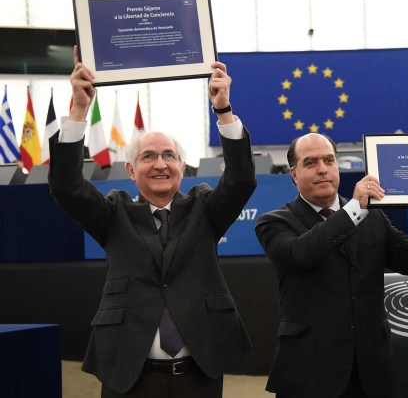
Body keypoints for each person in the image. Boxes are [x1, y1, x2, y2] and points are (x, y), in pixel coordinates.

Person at [48, 47, 257, 397]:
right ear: (131, 171)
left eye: (169, 156)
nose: (160, 164)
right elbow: (67, 187)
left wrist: (223, 110)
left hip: (199, 373)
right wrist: (80, 110)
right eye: (148, 156)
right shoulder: (114, 214)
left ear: (182, 166)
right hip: (129, 375)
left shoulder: (205, 208)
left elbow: (241, 180)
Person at [254, 132, 408, 398]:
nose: (323, 169)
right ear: (293, 174)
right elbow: (300, 254)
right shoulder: (274, 222)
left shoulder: (372, 217)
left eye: (329, 160)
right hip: (310, 368)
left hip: (372, 368)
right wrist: (354, 210)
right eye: (311, 163)